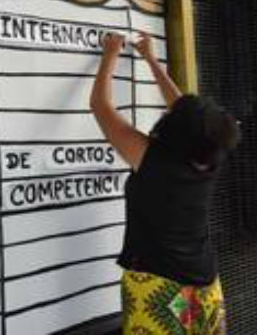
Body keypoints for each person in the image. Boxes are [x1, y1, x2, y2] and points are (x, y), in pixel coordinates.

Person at [90, 32, 238, 335]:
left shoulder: (152, 158)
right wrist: (151, 59)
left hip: (158, 288)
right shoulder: (211, 157)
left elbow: (101, 107)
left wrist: (110, 54)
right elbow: (184, 111)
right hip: (206, 287)